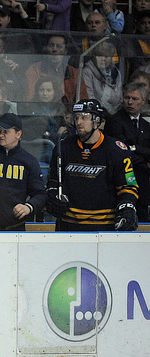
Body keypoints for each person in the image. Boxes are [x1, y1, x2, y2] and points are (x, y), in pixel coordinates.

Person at [46, 99, 139, 231]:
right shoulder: (63, 147)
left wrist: (127, 206)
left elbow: (128, 185)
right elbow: (53, 181)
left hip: (104, 226)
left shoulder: (116, 150)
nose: (79, 122)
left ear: (97, 121)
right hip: (68, 226)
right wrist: (53, 195)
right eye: (76, 117)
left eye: (84, 117)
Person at [104, 82, 150, 222]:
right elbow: (121, 152)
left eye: (134, 99)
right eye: (127, 98)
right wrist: (146, 162)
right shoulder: (115, 121)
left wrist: (135, 148)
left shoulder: (146, 125)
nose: (130, 102)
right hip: (121, 180)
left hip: (142, 183)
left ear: (143, 101)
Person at [82, 41, 123, 114]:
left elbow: (119, 98)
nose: (103, 59)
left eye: (107, 56)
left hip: (114, 113)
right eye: (100, 56)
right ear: (94, 57)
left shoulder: (116, 73)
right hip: (95, 112)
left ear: (111, 58)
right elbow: (89, 97)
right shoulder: (87, 72)